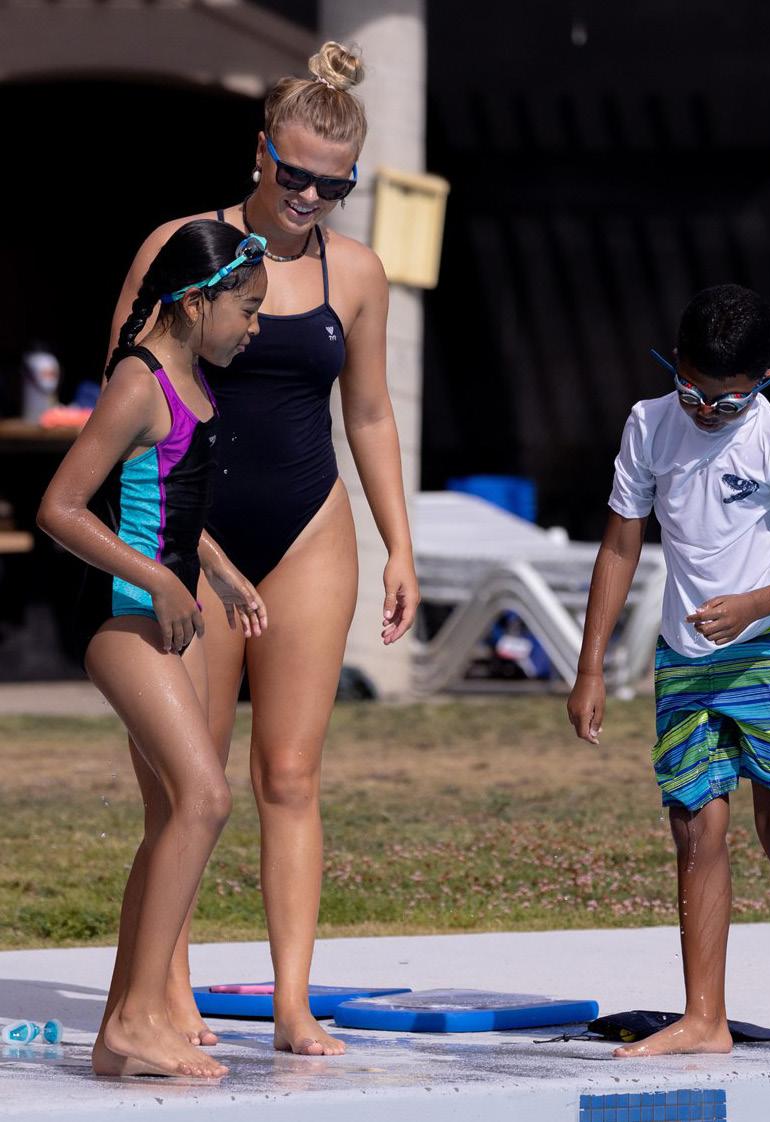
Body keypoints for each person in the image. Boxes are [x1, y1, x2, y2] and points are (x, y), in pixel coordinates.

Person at [107, 41, 419, 1056]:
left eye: (335, 185)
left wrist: (399, 545)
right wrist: (176, 548)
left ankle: (291, 1004)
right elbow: (125, 391)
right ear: (259, 152)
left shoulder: (354, 271)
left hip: (307, 530)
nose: (310, 198)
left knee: (289, 774)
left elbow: (368, 413)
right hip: (193, 534)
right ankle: (167, 996)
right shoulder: (184, 245)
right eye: (295, 175)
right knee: (183, 782)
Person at [567, 284, 770, 1057]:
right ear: (674, 363)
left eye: (727, 402)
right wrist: (591, 667)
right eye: (692, 391)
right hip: (686, 654)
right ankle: (705, 1018)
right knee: (696, 823)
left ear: (762, 382)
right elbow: (621, 543)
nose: (706, 412)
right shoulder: (648, 424)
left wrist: (755, 603)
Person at [38, 221, 269, 1076]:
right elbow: (61, 508)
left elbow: (169, 496)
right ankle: (141, 1014)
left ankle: (118, 1029)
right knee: (204, 799)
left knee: (178, 811)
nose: (254, 327)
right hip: (125, 616)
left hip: (174, 612)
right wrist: (160, 581)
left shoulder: (190, 378)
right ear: (197, 302)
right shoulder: (138, 381)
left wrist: (220, 571)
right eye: (247, 310)